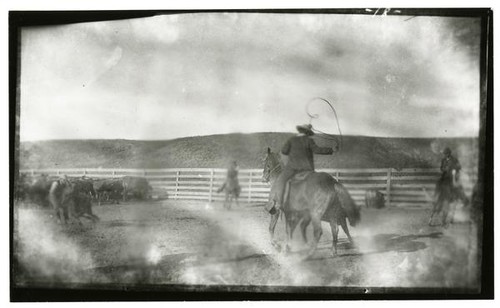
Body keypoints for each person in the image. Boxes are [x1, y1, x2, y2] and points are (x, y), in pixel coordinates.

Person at [267, 124, 337, 212]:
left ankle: (278, 203)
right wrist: (331, 150)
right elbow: (317, 150)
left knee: (281, 180)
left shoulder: (291, 140)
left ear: (300, 131)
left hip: (292, 168)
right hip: (307, 169)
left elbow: (284, 151)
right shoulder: (309, 140)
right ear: (308, 133)